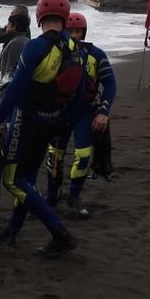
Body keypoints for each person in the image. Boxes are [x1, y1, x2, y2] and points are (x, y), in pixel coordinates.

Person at [0, 0, 80, 258]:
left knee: (13, 180)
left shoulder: (35, 47)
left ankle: (60, 234)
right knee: (26, 178)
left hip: (27, 121)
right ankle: (11, 231)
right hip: (53, 121)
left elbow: (14, 91)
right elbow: (76, 89)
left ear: (39, 16)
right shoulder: (74, 47)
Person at [46, 12, 116, 219]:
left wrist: (103, 112)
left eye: (78, 31)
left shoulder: (97, 54)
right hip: (59, 113)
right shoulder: (53, 54)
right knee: (54, 156)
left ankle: (74, 197)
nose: (74, 35)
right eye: (70, 31)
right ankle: (52, 195)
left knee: (83, 156)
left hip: (85, 113)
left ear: (84, 32)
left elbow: (110, 84)